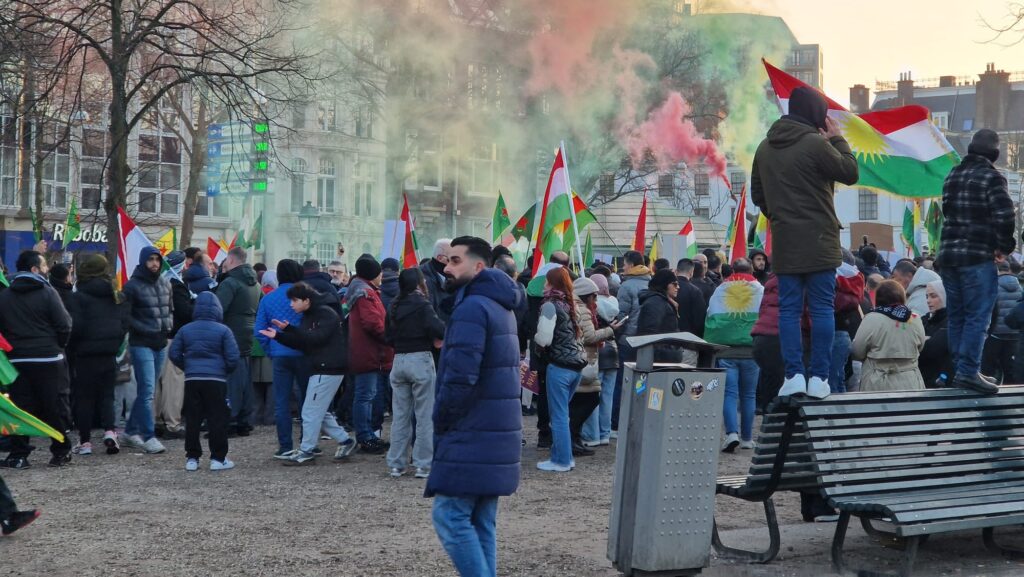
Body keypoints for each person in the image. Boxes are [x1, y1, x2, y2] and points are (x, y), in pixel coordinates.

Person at [751, 84, 859, 399]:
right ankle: (820, 379)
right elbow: (850, 172)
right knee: (822, 309)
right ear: (817, 114)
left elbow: (759, 195)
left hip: (785, 242)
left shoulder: (764, 148)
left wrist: (783, 217)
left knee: (789, 310)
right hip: (821, 240)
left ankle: (794, 375)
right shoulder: (815, 144)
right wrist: (837, 137)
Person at [427, 236, 521, 577]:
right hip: (493, 429)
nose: (446, 267)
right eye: (446, 261)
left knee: (449, 516)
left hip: (473, 429)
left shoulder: (472, 308)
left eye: (455, 261)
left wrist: (442, 419)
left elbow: (459, 377)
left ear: (478, 266)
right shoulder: (500, 304)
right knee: (481, 519)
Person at [938, 129, 1015, 394]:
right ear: (995, 153)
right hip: (977, 256)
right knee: (977, 317)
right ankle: (969, 372)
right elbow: (1005, 216)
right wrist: (1004, 247)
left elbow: (947, 211)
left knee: (957, 316)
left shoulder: (952, 175)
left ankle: (963, 370)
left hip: (948, 256)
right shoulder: (992, 177)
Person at [259, 282, 356, 466]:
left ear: (306, 300)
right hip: (324, 368)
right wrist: (280, 334)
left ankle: (306, 450)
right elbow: (305, 341)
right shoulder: (313, 314)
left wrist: (287, 331)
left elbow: (313, 339)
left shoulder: (325, 314)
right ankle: (345, 440)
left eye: (294, 301)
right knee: (318, 410)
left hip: (327, 368)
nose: (291, 305)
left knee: (311, 411)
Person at [0, 251, 73, 468]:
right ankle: (61, 451)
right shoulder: (48, 292)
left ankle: (19, 454)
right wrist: (58, 345)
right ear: (34, 269)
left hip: (17, 360)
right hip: (48, 358)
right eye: (44, 266)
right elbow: (64, 324)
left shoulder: (5, 296)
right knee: (54, 405)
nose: (47, 270)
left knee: (21, 408)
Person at [66, 255, 129, 456]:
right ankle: (110, 431)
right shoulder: (115, 294)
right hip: (109, 353)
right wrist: (115, 343)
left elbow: (76, 327)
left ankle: (85, 442)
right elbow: (124, 324)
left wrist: (72, 348)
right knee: (107, 396)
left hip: (85, 354)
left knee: (84, 398)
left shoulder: (78, 297)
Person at [169, 292, 239, 471]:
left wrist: (188, 367)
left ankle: (192, 458)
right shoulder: (224, 330)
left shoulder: (186, 329)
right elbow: (233, 357)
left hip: (193, 379)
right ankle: (218, 458)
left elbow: (174, 353)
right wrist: (223, 370)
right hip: (216, 379)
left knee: (192, 419)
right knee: (217, 419)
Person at [385, 268, 445, 477]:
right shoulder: (422, 304)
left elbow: (388, 336)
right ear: (420, 283)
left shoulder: (393, 304)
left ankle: (396, 464)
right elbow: (439, 329)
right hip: (420, 359)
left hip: (398, 361)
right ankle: (422, 464)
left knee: (400, 416)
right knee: (424, 415)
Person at [704, 259, 763, 452]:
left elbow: (710, 315)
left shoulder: (721, 290)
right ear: (751, 269)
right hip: (751, 351)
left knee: (729, 394)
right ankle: (747, 438)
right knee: (749, 395)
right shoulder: (759, 289)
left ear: (731, 270)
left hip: (726, 350)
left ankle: (731, 434)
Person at [120, 246, 173, 454]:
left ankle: (130, 431)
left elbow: (169, 309)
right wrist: (141, 328)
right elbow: (125, 315)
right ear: (143, 261)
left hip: (160, 342)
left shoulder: (165, 283)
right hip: (141, 343)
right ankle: (148, 435)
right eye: (150, 259)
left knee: (147, 391)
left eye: (157, 259)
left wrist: (167, 328)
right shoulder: (132, 286)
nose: (154, 263)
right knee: (148, 390)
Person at [534, 266, 586, 472]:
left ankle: (562, 460)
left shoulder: (549, 306)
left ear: (551, 283)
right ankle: (562, 457)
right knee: (563, 414)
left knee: (558, 416)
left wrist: (536, 339)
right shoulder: (572, 304)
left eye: (546, 280)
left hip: (559, 366)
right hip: (576, 366)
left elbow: (544, 339)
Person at [254, 259, 308, 458]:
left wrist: (271, 350)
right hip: (303, 353)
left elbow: (259, 330)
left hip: (279, 354)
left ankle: (285, 446)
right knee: (306, 400)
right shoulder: (304, 297)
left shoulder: (268, 298)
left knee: (282, 401)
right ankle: (307, 443)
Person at [345, 255, 394, 454]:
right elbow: (373, 323)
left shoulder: (363, 290)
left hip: (369, 351)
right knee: (365, 395)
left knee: (366, 395)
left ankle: (367, 435)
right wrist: (390, 338)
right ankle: (365, 436)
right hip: (370, 351)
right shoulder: (366, 293)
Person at [569, 277, 621, 457]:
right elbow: (589, 337)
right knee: (591, 399)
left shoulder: (579, 308)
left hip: (587, 361)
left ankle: (581, 438)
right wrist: (610, 330)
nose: (596, 301)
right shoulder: (583, 310)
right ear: (587, 296)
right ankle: (582, 437)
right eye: (594, 296)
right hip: (585, 361)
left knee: (590, 399)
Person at [216, 247, 261, 436]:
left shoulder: (230, 283)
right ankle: (244, 420)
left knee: (231, 380)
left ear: (231, 260)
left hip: (230, 334)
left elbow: (217, 309)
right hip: (248, 334)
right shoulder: (255, 284)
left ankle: (230, 421)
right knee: (244, 380)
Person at [851, 280, 926, 391]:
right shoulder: (914, 318)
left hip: (876, 381)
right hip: (910, 381)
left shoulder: (872, 318)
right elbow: (920, 347)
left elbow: (857, 351)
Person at [155, 251, 193, 440]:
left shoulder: (157, 283)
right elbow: (184, 313)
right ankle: (172, 423)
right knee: (173, 382)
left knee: (157, 383)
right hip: (173, 338)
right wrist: (194, 303)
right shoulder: (176, 286)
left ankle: (156, 421)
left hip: (156, 338)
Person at [612, 250, 651, 436]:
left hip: (628, 340)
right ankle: (642, 419)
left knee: (623, 382)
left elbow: (621, 315)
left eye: (625, 264)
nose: (623, 267)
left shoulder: (626, 286)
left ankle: (617, 421)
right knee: (644, 381)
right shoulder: (652, 282)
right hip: (649, 341)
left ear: (631, 265)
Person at [982, 260, 1021, 383]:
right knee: (1010, 370)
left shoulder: (992, 286)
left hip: (995, 335)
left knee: (989, 369)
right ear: (1009, 269)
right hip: (1014, 335)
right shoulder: (1019, 286)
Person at [636, 269, 684, 363]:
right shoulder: (655, 303)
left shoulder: (661, 301)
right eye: (674, 284)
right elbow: (648, 334)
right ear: (664, 284)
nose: (678, 287)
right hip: (659, 360)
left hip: (663, 357)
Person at [751, 274, 783, 411]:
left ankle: (767, 415)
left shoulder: (768, 286)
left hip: (761, 339)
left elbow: (762, 312)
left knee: (768, 381)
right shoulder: (796, 284)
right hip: (780, 338)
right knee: (780, 386)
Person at [919, 281, 953, 388]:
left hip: (942, 384)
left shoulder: (952, 321)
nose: (928, 301)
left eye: (933, 296)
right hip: (923, 382)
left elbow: (931, 349)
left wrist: (921, 341)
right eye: (927, 296)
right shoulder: (924, 319)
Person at [675, 258, 708, 340]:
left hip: (668, 337)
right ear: (691, 272)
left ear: (677, 270)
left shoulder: (667, 287)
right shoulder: (695, 291)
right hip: (689, 338)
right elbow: (700, 319)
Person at [420, 238, 451, 322]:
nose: (453, 264)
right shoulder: (423, 280)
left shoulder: (450, 277)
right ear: (440, 258)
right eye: (451, 259)